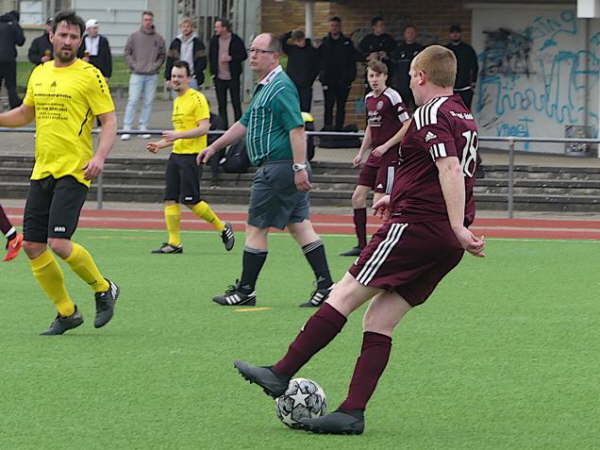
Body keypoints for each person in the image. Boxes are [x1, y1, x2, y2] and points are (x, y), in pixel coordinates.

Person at [233, 44, 485, 435]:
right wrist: (397, 195)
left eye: (411, 77)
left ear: (419, 77)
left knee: (344, 292)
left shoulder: (431, 113)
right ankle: (352, 411)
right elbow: (450, 172)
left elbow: (450, 168)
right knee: (379, 320)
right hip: (440, 241)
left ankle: (280, 373)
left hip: (417, 228)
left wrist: (455, 224)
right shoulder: (462, 114)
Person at [0, 10, 120, 335]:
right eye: (63, 35)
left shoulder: (90, 75)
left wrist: (100, 157)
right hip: (42, 170)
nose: (67, 41)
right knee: (32, 246)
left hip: (75, 170)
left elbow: (109, 120)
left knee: (59, 242)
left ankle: (103, 287)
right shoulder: (39, 72)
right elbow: (26, 112)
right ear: (51, 35)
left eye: (74, 37)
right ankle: (67, 312)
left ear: (81, 41)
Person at [198, 33, 334, 308]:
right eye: (251, 50)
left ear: (275, 56)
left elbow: (297, 129)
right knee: (299, 225)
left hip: (278, 167)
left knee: (256, 226)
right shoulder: (266, 87)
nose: (253, 55)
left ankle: (246, 290)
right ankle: (326, 285)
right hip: (282, 167)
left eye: (259, 51)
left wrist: (298, 167)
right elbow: (243, 124)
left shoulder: (280, 87)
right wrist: (214, 147)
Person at [146, 60, 234, 254]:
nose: (176, 80)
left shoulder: (197, 98)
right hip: (176, 155)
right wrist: (160, 145)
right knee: (170, 199)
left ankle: (223, 227)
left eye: (180, 76)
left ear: (189, 78)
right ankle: (174, 243)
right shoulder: (177, 100)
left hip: (192, 157)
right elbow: (180, 132)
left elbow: (204, 128)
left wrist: (177, 135)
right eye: (174, 76)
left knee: (191, 200)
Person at [340, 60, 410, 257]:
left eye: (377, 76)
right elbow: (371, 126)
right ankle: (362, 245)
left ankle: (389, 246)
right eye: (371, 76)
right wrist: (361, 152)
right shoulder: (369, 98)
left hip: (390, 155)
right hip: (375, 155)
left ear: (385, 76)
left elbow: (408, 125)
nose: (374, 80)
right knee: (357, 197)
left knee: (380, 203)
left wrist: (387, 145)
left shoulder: (392, 96)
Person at [121, 11, 166, 141]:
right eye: (145, 19)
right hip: (136, 74)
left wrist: (155, 66)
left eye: (150, 20)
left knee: (148, 102)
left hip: (152, 75)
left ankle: (143, 127)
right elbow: (127, 52)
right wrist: (134, 65)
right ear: (142, 21)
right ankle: (127, 127)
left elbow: (162, 55)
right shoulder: (134, 37)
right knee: (133, 101)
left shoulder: (158, 38)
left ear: (153, 21)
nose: (148, 22)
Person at [319, 16, 360, 130]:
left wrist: (350, 77)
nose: (334, 28)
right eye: (332, 25)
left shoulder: (347, 43)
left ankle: (338, 129)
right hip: (328, 80)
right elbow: (319, 60)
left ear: (340, 27)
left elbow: (355, 57)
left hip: (343, 81)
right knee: (328, 105)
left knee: (341, 106)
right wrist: (322, 76)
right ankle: (327, 128)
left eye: (336, 26)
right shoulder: (325, 43)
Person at [208, 18, 247, 129]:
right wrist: (213, 71)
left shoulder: (236, 40)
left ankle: (239, 126)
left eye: (217, 27)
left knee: (236, 102)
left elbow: (243, 55)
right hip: (219, 77)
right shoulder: (214, 40)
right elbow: (211, 56)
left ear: (224, 28)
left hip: (232, 76)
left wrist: (231, 58)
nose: (215, 29)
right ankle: (223, 127)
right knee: (221, 104)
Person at [280, 29, 319, 112]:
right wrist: (290, 33)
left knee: (305, 109)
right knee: (293, 108)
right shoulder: (292, 49)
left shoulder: (311, 50)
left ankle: (305, 124)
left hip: (306, 85)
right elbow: (281, 41)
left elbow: (316, 66)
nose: (299, 42)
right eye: (297, 41)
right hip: (292, 84)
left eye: (300, 40)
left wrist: (310, 80)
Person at [165, 17, 207, 90]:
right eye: (183, 26)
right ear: (180, 28)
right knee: (179, 100)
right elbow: (169, 60)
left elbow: (202, 61)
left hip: (192, 77)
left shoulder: (198, 43)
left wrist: (196, 75)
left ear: (192, 28)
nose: (185, 29)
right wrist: (168, 77)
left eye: (188, 26)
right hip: (178, 77)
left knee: (192, 100)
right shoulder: (175, 42)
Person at [445, 25, 478, 110]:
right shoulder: (445, 50)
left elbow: (474, 66)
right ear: (450, 35)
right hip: (450, 88)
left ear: (460, 34)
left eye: (457, 32)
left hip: (465, 88)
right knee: (450, 112)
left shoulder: (468, 49)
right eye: (453, 32)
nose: (455, 34)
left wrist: (473, 82)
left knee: (465, 113)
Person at [391, 25, 423, 112]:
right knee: (402, 110)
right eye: (408, 32)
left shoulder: (420, 49)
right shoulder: (399, 49)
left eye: (412, 33)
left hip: (417, 85)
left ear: (416, 34)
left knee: (418, 109)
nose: (410, 35)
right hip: (402, 85)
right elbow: (394, 67)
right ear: (404, 34)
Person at [358, 16, 396, 90]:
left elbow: (395, 53)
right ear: (374, 27)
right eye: (380, 25)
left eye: (383, 25)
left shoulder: (388, 39)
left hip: (385, 73)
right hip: (371, 72)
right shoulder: (367, 40)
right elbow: (358, 54)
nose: (383, 27)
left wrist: (386, 55)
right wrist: (368, 56)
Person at [0, 10, 25, 109]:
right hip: (9, 59)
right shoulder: (14, 25)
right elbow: (20, 41)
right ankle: (14, 106)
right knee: (11, 85)